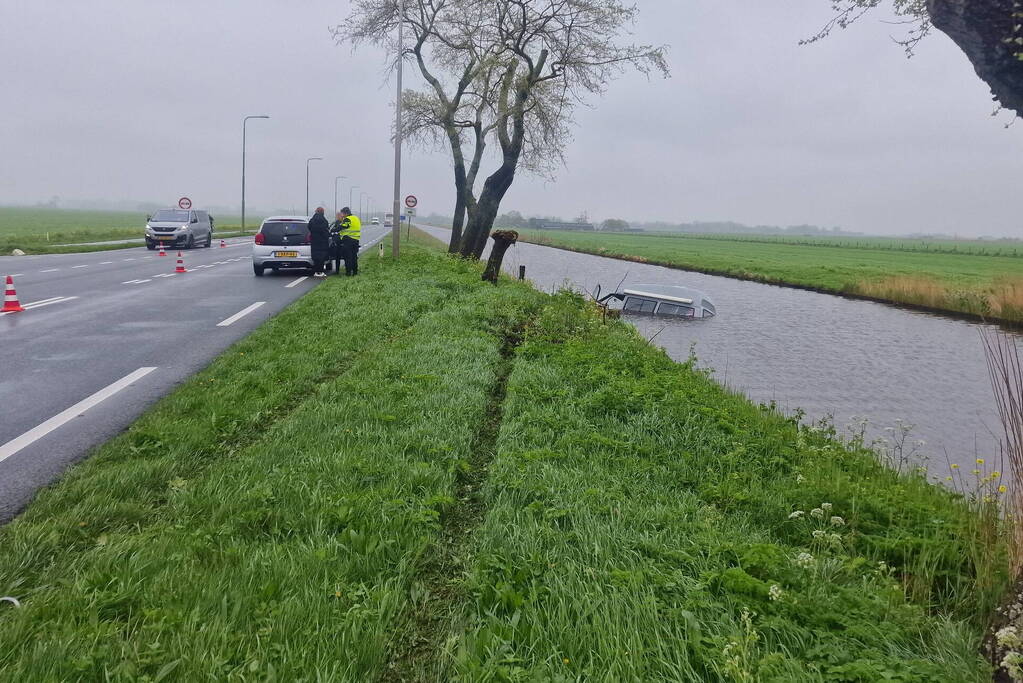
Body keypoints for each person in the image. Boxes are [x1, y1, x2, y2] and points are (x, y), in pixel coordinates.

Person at [337, 206, 361, 276]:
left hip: (348, 240)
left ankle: (348, 273)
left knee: (348, 257)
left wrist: (333, 230)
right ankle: (355, 272)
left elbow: (342, 226)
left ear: (346, 213)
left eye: (342, 213)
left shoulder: (347, 219)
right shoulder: (356, 218)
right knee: (354, 257)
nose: (342, 215)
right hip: (356, 240)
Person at [308, 207, 331, 277]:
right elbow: (326, 230)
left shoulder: (312, 220)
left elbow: (309, 227)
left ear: (316, 212)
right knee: (322, 257)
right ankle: (320, 272)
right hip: (323, 242)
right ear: (323, 212)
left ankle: (316, 272)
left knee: (316, 257)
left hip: (314, 241)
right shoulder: (324, 221)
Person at [329, 211, 346, 276]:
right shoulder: (335, 223)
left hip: (343, 242)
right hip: (337, 243)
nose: (338, 217)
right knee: (337, 258)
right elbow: (330, 230)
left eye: (339, 216)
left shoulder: (344, 223)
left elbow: (333, 230)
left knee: (345, 257)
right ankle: (337, 270)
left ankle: (346, 270)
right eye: (337, 216)